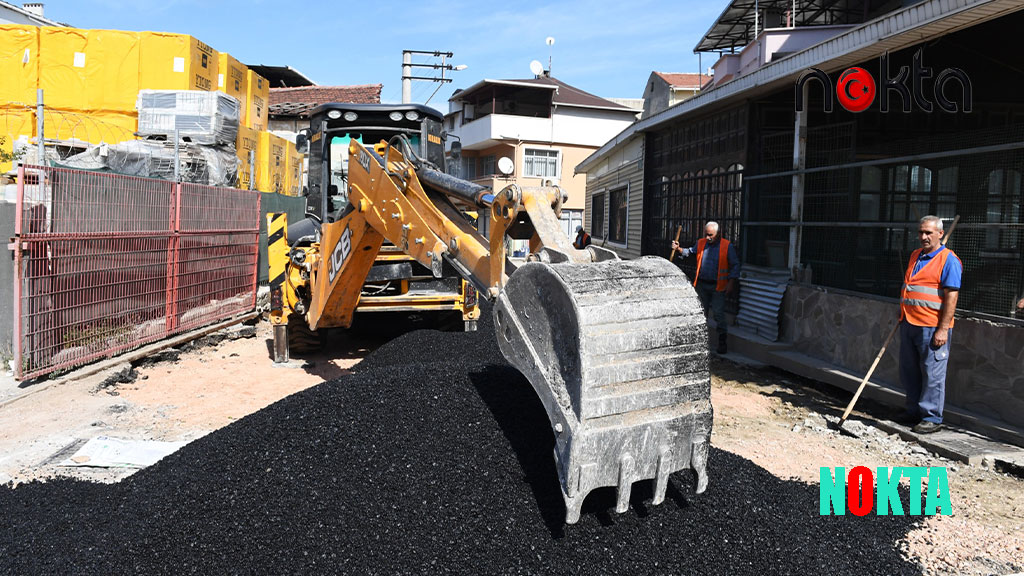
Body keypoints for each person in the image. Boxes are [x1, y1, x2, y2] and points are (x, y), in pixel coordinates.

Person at [897, 215, 962, 434]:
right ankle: (913, 410)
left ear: (940, 234)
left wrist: (943, 328)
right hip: (909, 322)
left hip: (932, 326)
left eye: (928, 233)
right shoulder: (916, 255)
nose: (923, 237)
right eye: (921, 232)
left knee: (932, 373)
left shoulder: (949, 260)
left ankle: (931, 417)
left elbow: (951, 296)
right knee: (909, 371)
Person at [671, 221, 740, 354]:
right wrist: (679, 249)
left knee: (719, 314)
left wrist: (731, 282)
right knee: (701, 314)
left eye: (711, 235)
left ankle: (722, 342)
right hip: (702, 284)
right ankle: (699, 341)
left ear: (718, 234)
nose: (708, 237)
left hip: (718, 286)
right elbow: (690, 252)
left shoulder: (727, 246)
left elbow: (735, 265)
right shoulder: (702, 242)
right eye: (706, 234)